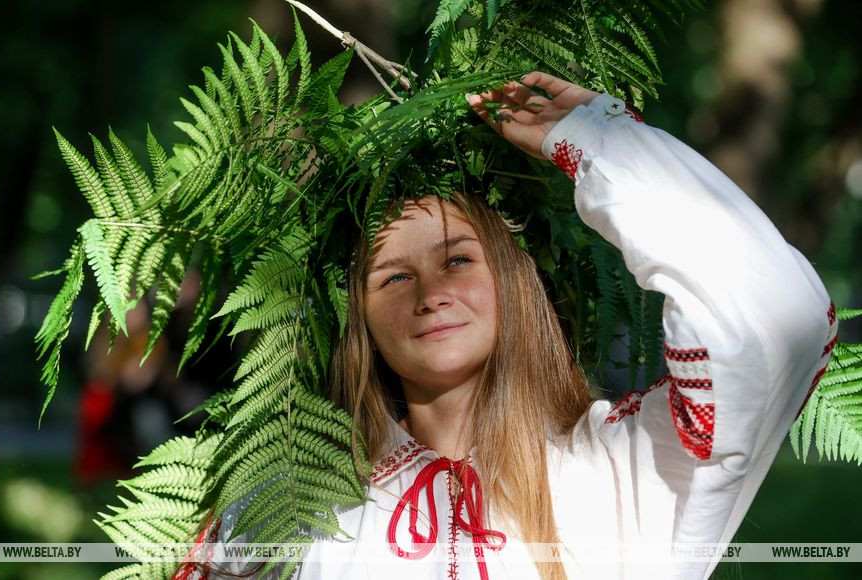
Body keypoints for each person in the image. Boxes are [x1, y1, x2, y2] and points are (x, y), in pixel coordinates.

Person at [191, 72, 837, 579]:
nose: (431, 294)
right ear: (357, 317)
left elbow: (779, 317)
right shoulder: (293, 507)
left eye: (458, 259)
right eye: (392, 276)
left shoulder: (624, 476)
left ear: (510, 278)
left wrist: (601, 143)